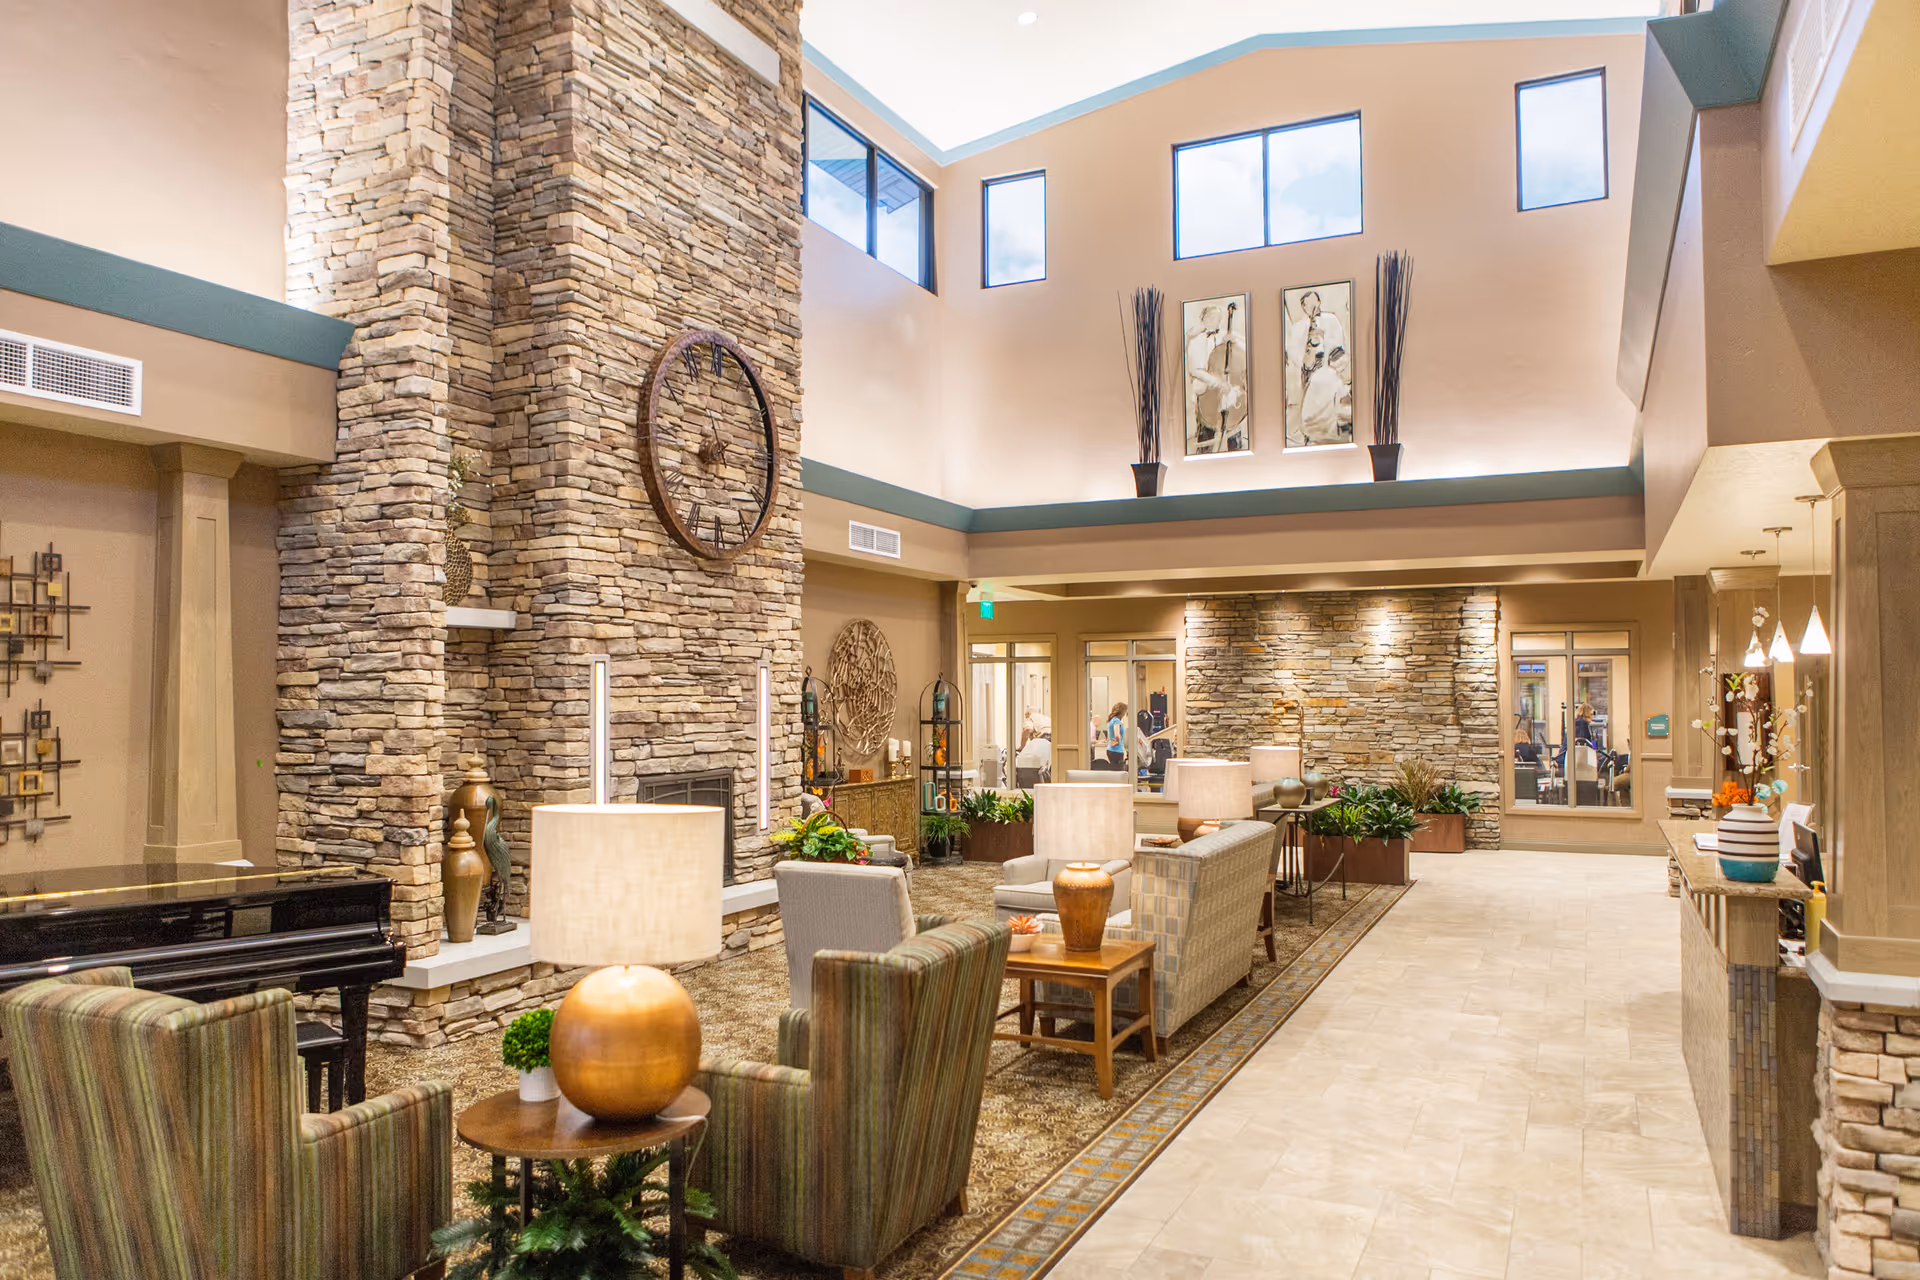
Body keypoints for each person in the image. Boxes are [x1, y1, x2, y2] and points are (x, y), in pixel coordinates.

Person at [1105, 701, 1128, 770]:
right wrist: (1118, 740)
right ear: (1122, 712)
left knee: (1113, 770)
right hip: (1117, 750)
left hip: (1110, 749)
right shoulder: (1117, 721)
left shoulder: (1111, 720)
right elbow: (1117, 734)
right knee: (1118, 771)